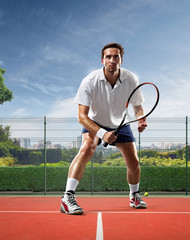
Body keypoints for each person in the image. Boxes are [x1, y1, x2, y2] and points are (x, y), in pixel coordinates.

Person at [60, 43, 148, 215]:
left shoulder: (131, 79)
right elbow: (81, 117)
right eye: (108, 57)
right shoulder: (89, 81)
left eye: (116, 56)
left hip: (120, 123)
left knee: (134, 162)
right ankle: (67, 197)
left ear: (121, 59)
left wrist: (141, 119)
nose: (112, 60)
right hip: (94, 122)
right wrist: (102, 133)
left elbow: (137, 106)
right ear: (102, 60)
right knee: (87, 148)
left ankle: (134, 196)